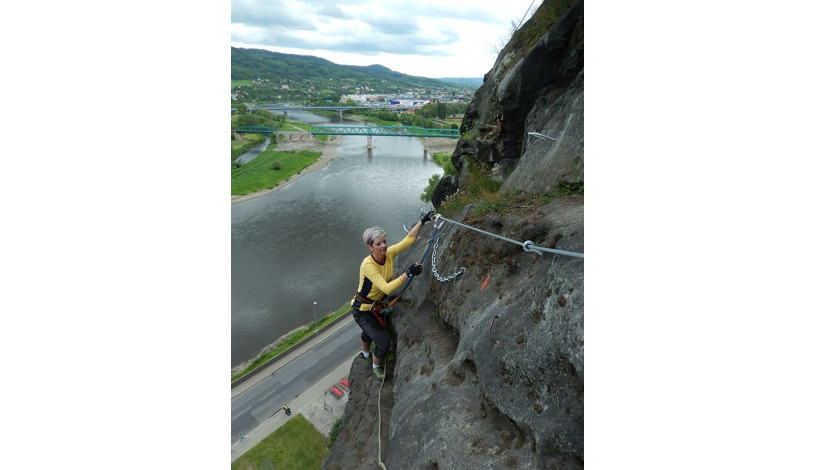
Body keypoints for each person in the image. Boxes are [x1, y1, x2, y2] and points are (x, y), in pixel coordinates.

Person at [351, 211, 435, 379]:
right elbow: (387, 289)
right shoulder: (368, 265)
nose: (383, 246)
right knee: (383, 343)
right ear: (370, 247)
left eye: (384, 241)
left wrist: (422, 221)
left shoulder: (387, 254)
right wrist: (408, 273)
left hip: (375, 306)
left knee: (369, 332)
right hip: (362, 310)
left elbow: (408, 240)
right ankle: (376, 365)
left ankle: (365, 354)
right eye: (378, 244)